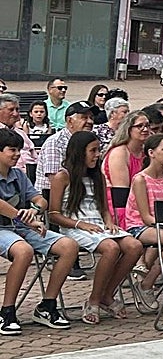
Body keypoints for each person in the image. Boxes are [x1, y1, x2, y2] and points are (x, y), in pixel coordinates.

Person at [49, 131, 143, 323]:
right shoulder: (63, 177)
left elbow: (104, 208)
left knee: (135, 246)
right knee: (111, 248)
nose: (97, 154)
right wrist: (80, 224)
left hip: (99, 225)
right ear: (79, 152)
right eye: (93, 151)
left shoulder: (97, 175)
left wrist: (109, 221)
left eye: (98, 150)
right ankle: (93, 300)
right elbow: (54, 215)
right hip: (74, 226)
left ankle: (106, 295)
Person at [0, 129, 77, 334]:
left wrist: (33, 210)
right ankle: (7, 312)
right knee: (23, 251)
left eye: (19, 150)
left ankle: (47, 306)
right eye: (12, 150)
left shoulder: (18, 174)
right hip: (2, 229)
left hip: (22, 227)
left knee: (69, 246)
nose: (17, 154)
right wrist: (23, 217)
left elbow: (40, 199)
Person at [125, 133, 163, 307]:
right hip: (138, 226)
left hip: (161, 226)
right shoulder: (140, 179)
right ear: (151, 153)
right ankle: (148, 284)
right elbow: (145, 217)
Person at [36, 102, 94, 193]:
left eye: (91, 117)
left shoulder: (91, 141)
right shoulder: (56, 143)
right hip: (52, 197)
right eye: (84, 118)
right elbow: (55, 180)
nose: (90, 121)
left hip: (81, 192)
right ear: (70, 121)